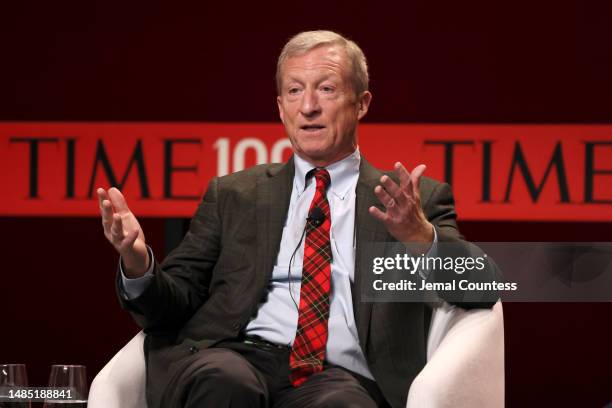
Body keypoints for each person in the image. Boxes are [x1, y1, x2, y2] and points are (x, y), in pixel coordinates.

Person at [97, 30, 497, 408]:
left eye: (326, 89)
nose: (308, 107)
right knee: (221, 380)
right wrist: (138, 262)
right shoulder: (234, 194)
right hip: (238, 357)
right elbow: (172, 304)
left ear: (362, 103)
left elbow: (482, 288)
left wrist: (418, 236)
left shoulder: (415, 199)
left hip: (339, 376)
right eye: (294, 91)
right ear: (280, 107)